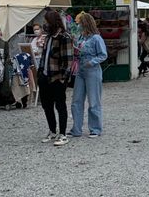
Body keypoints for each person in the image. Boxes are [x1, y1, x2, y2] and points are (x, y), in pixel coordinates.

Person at [37, 8, 73, 145]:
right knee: (47, 105)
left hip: (57, 77)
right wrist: (40, 72)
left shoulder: (65, 37)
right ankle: (52, 130)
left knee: (60, 105)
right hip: (45, 75)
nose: (44, 25)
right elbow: (44, 56)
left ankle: (63, 134)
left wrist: (62, 78)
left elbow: (68, 61)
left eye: (46, 22)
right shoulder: (48, 37)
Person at [70, 12, 107, 138]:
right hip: (80, 70)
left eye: (79, 23)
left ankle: (95, 129)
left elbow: (103, 54)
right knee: (76, 100)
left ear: (84, 24)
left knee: (93, 101)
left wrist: (92, 62)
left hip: (92, 71)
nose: (77, 25)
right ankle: (76, 128)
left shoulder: (96, 38)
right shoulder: (80, 38)